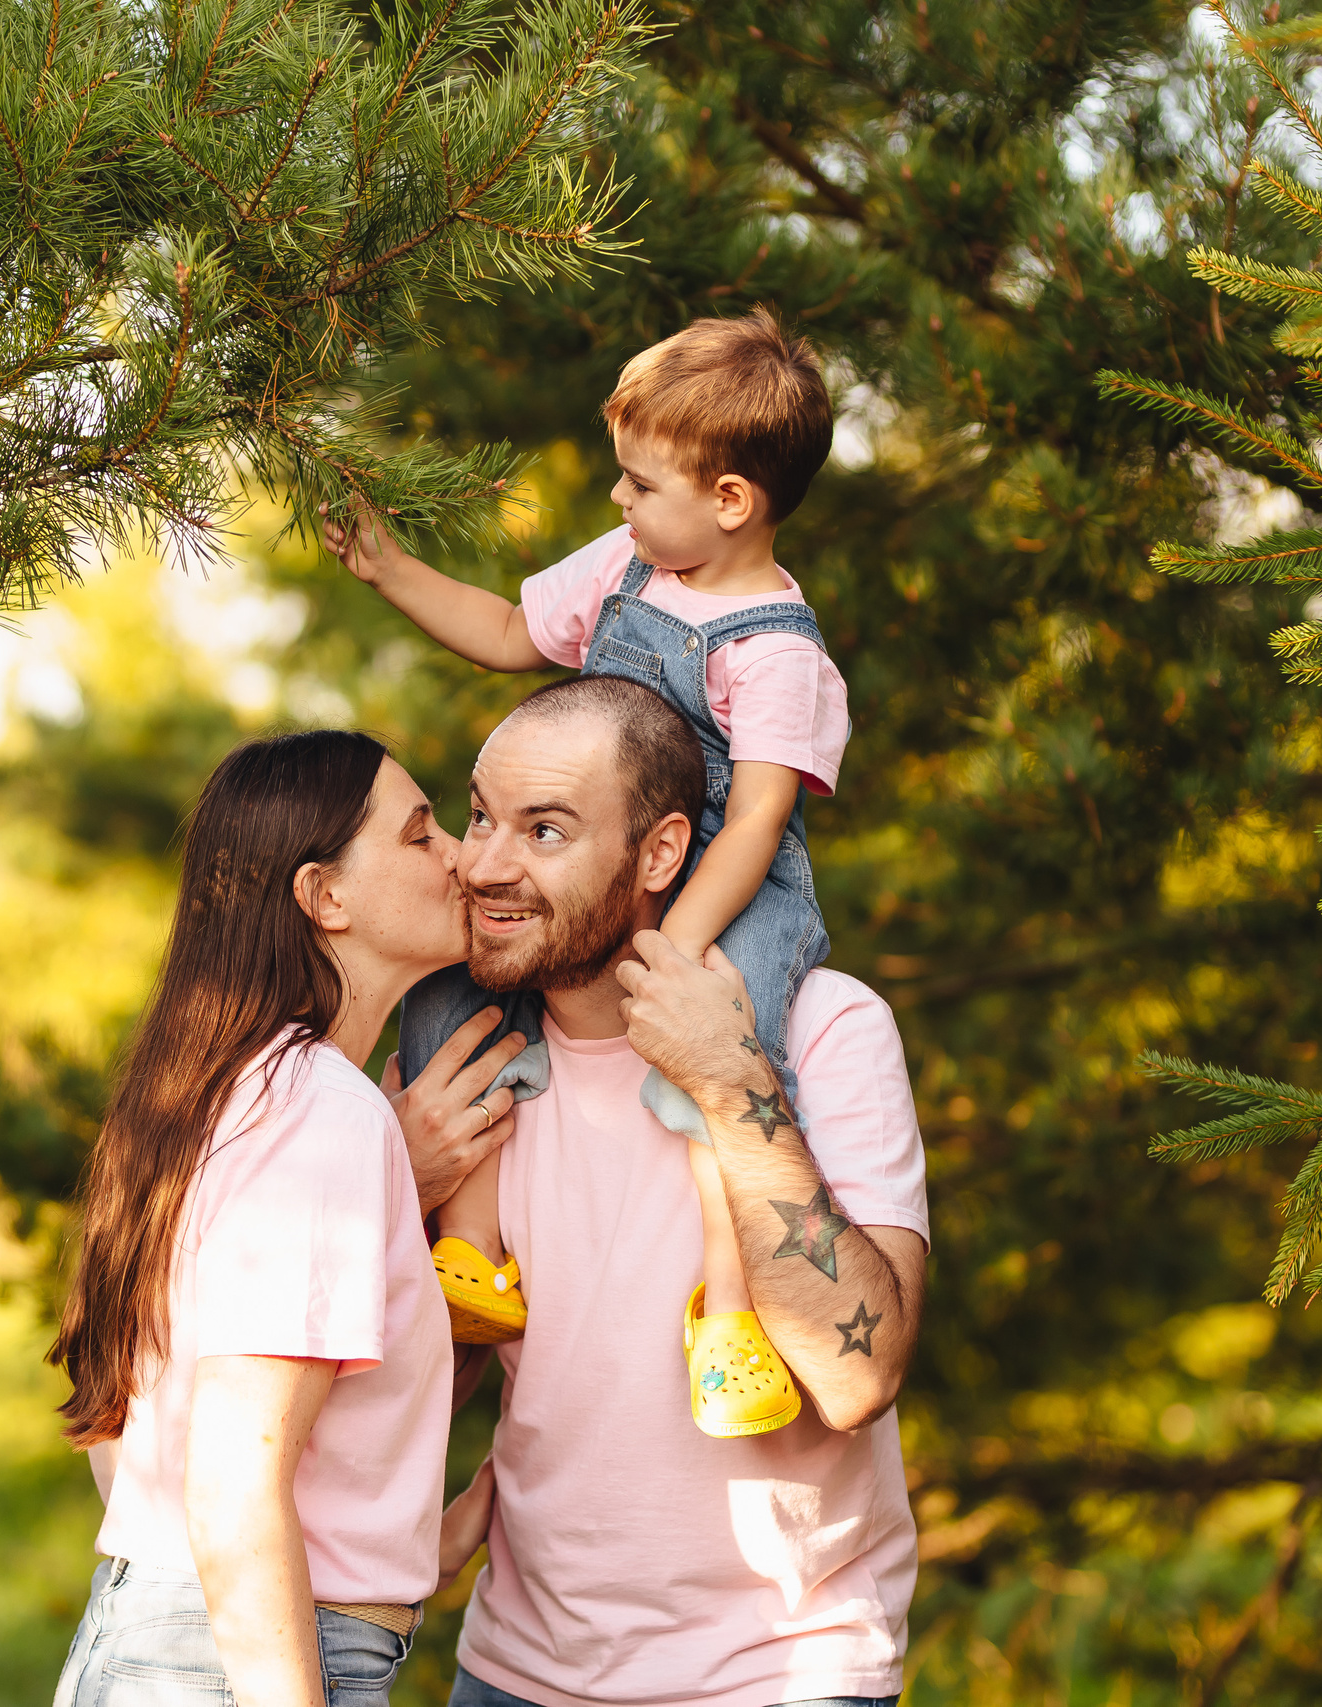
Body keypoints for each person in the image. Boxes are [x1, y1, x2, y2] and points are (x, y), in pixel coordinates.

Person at [325, 308, 849, 1439]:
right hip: (604, 864)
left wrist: (682, 947)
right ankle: (471, 1254)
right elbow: (513, 629)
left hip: (726, 882)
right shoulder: (631, 565)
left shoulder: (776, 650)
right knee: (464, 996)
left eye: (638, 483)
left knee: (722, 1059)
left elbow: (756, 815)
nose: (616, 500)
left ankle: (730, 1308)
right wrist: (390, 571)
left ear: (730, 501)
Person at [395, 678, 931, 1707]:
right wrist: (395, 1187)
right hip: (514, 1669)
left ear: (659, 854)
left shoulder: (825, 1031)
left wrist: (730, 1083)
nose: (485, 866)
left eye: (543, 831)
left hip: (777, 1672)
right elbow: (409, 1376)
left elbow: (857, 1378)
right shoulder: (456, 1061)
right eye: (477, 817)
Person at [48, 730, 530, 1707]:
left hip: (183, 1638)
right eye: (419, 833)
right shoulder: (318, 1113)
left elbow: (133, 1433)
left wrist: (387, 1551)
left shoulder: (224, 1089)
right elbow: (229, 1493)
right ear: (326, 898)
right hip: (236, 1664)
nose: (462, 858)